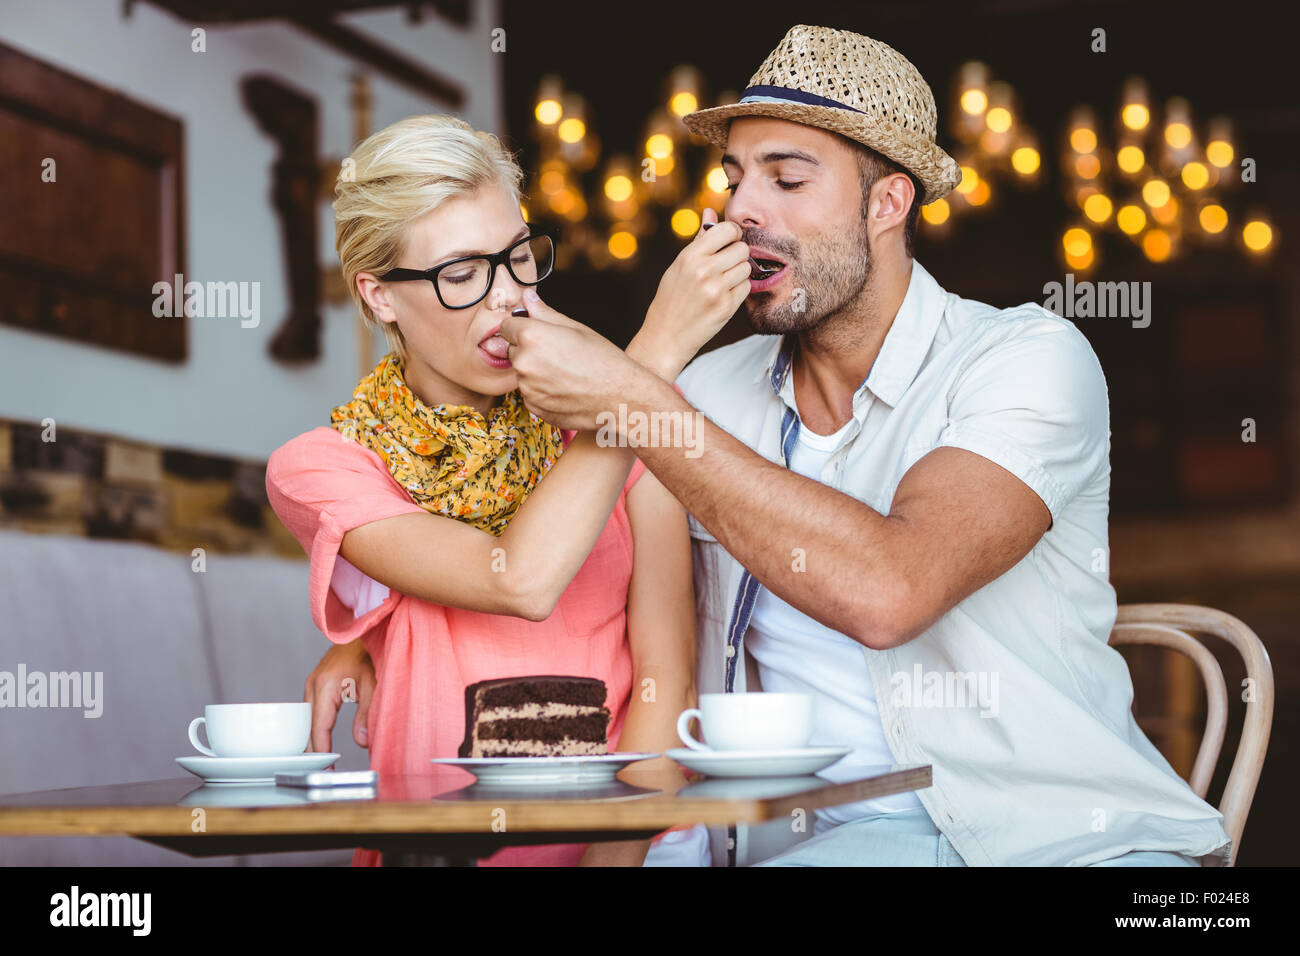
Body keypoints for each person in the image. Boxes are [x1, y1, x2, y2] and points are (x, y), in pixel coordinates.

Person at [497, 24, 1234, 867]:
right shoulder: (703, 393)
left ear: (888, 204)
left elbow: (892, 590)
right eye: (735, 179)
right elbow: (602, 626)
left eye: (788, 178)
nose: (740, 210)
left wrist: (632, 394)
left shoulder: (1028, 359)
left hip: (1056, 842)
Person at [266, 114, 749, 866]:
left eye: (518, 259)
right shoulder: (323, 468)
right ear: (379, 295)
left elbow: (666, 678)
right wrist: (650, 356)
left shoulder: (633, 442)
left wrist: (611, 862)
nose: (507, 300)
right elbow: (517, 578)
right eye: (461, 274)